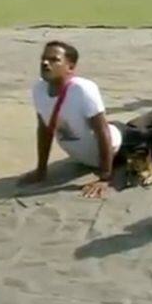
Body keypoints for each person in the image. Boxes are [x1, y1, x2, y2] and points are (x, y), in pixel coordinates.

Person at [18, 41, 123, 198]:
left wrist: (105, 177)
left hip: (121, 148)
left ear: (70, 68)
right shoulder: (38, 89)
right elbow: (45, 130)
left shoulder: (82, 89)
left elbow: (102, 132)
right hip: (85, 158)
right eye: (44, 58)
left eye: (54, 60)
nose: (45, 63)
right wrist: (41, 171)